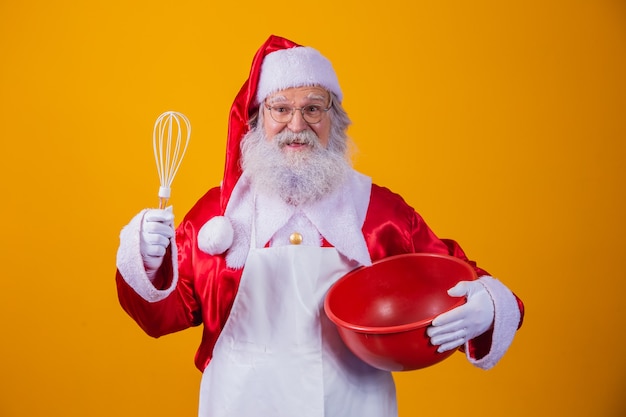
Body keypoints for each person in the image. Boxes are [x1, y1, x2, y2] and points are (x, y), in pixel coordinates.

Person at [115, 35, 524, 417]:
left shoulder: (378, 211)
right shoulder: (217, 215)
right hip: (241, 404)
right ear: (257, 119)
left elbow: (456, 276)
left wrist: (486, 306)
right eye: (281, 109)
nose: (297, 125)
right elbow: (162, 318)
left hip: (353, 405)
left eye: (313, 108)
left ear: (335, 120)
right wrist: (149, 265)